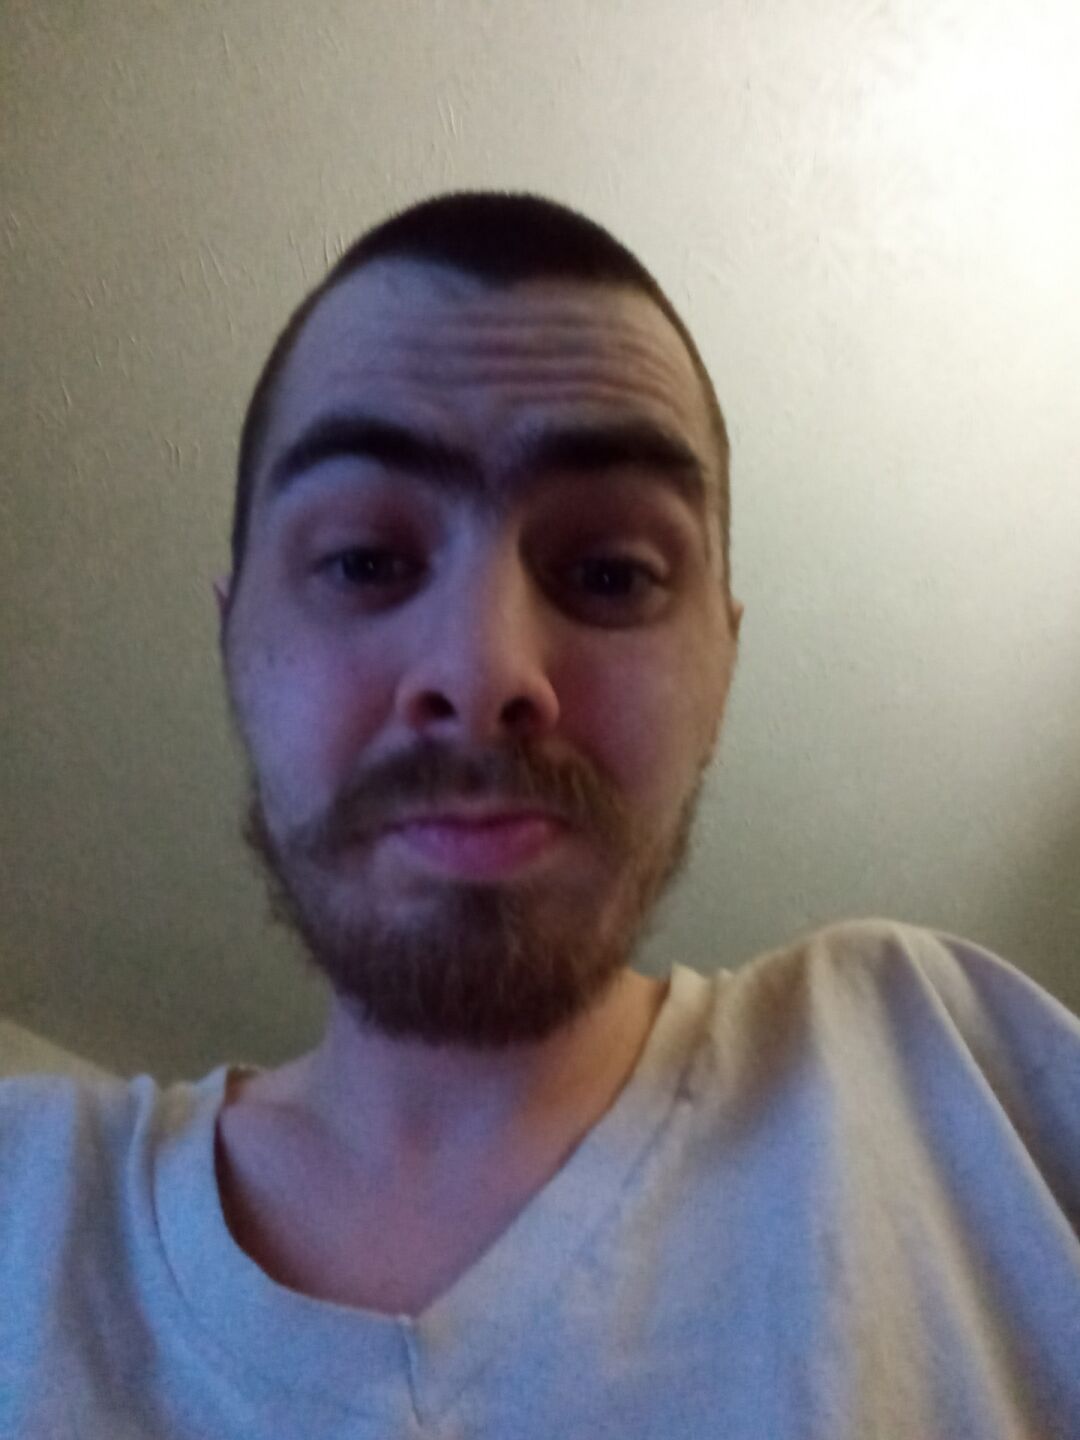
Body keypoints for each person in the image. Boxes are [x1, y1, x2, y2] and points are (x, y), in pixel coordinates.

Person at [1, 191, 1078, 1439]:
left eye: (612, 574)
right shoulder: (25, 1201)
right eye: (365, 561)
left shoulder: (955, 1074)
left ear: (723, 661)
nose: (484, 670)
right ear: (236, 638)